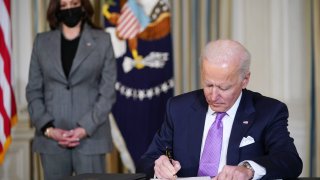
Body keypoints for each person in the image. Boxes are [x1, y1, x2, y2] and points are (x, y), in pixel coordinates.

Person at [136, 39, 303, 179]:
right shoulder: (178, 108)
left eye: (223, 88)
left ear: (245, 80)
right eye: (208, 84)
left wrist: (248, 169)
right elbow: (147, 161)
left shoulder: (268, 111)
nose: (213, 96)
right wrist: (158, 166)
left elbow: (290, 161)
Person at [26, 0, 116, 179]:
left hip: (91, 138)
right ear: (56, 9)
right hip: (51, 141)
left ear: (83, 6)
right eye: (64, 5)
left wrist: (85, 128)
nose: (69, 9)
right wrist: (49, 129)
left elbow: (107, 92)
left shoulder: (103, 41)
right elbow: (33, 91)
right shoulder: (41, 42)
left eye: (74, 3)